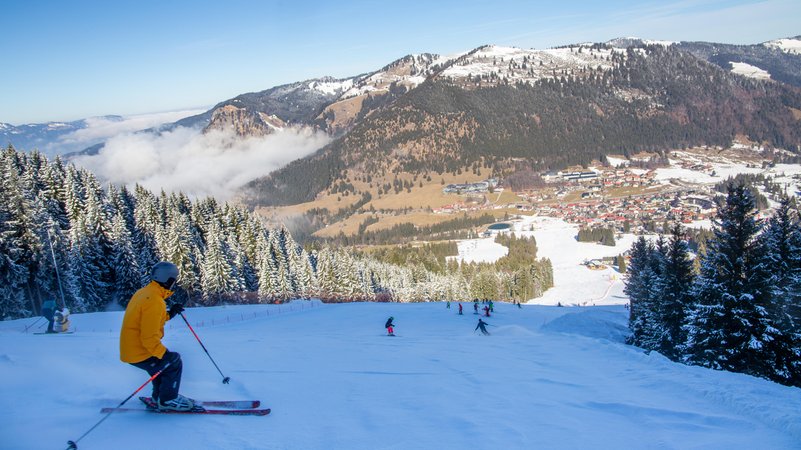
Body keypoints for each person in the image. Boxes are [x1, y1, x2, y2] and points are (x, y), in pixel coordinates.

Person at [120, 261, 193, 411]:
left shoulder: (144, 293)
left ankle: (158, 397)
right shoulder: (155, 301)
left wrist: (170, 313)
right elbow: (148, 338)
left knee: (161, 366)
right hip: (139, 350)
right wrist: (164, 354)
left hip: (132, 349)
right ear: (169, 280)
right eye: (174, 279)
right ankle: (167, 400)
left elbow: (150, 319)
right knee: (173, 362)